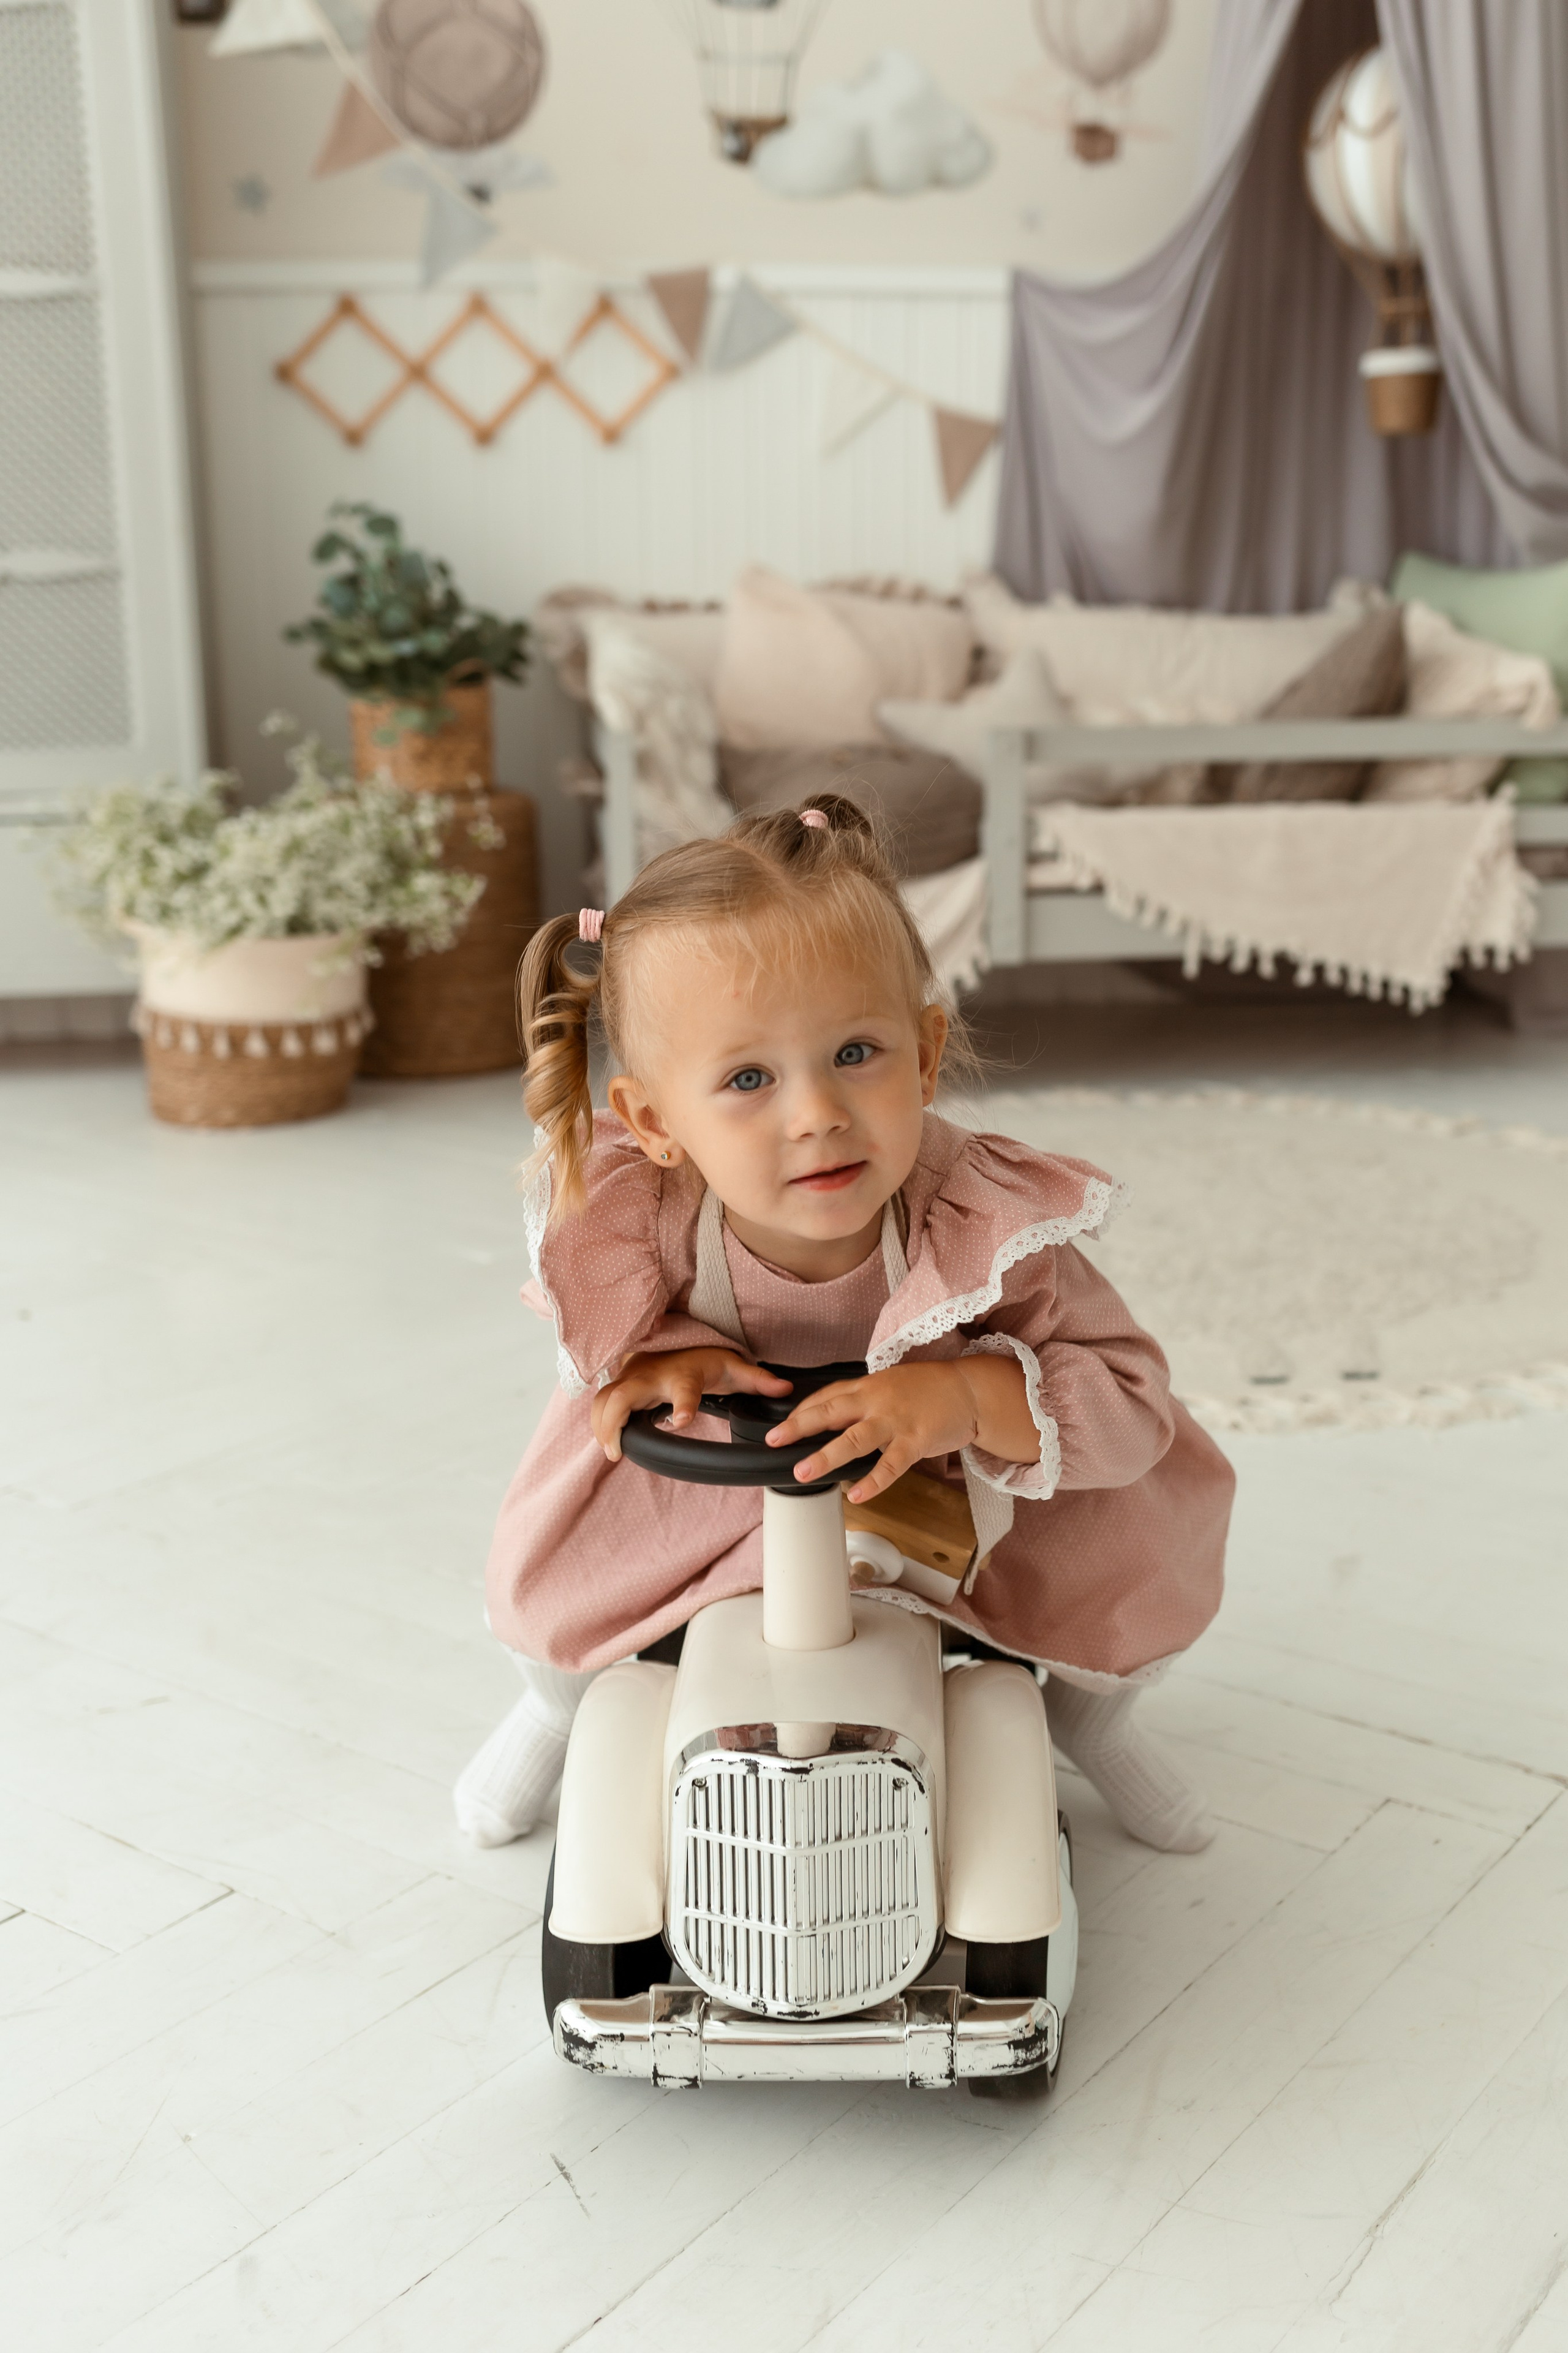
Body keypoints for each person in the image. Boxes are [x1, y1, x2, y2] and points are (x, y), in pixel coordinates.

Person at [456, 795, 1234, 1854]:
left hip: (968, 1503)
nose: (816, 1111)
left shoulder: (985, 1222)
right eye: (746, 1078)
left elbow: (1133, 1401)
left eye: (856, 1053)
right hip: (726, 1486)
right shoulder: (647, 1221)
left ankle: (1091, 1723)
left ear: (924, 1052)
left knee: (1119, 1583)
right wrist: (656, 1357)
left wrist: (964, 1395)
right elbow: (605, 1351)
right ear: (655, 1121)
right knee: (560, 1579)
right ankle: (553, 1712)